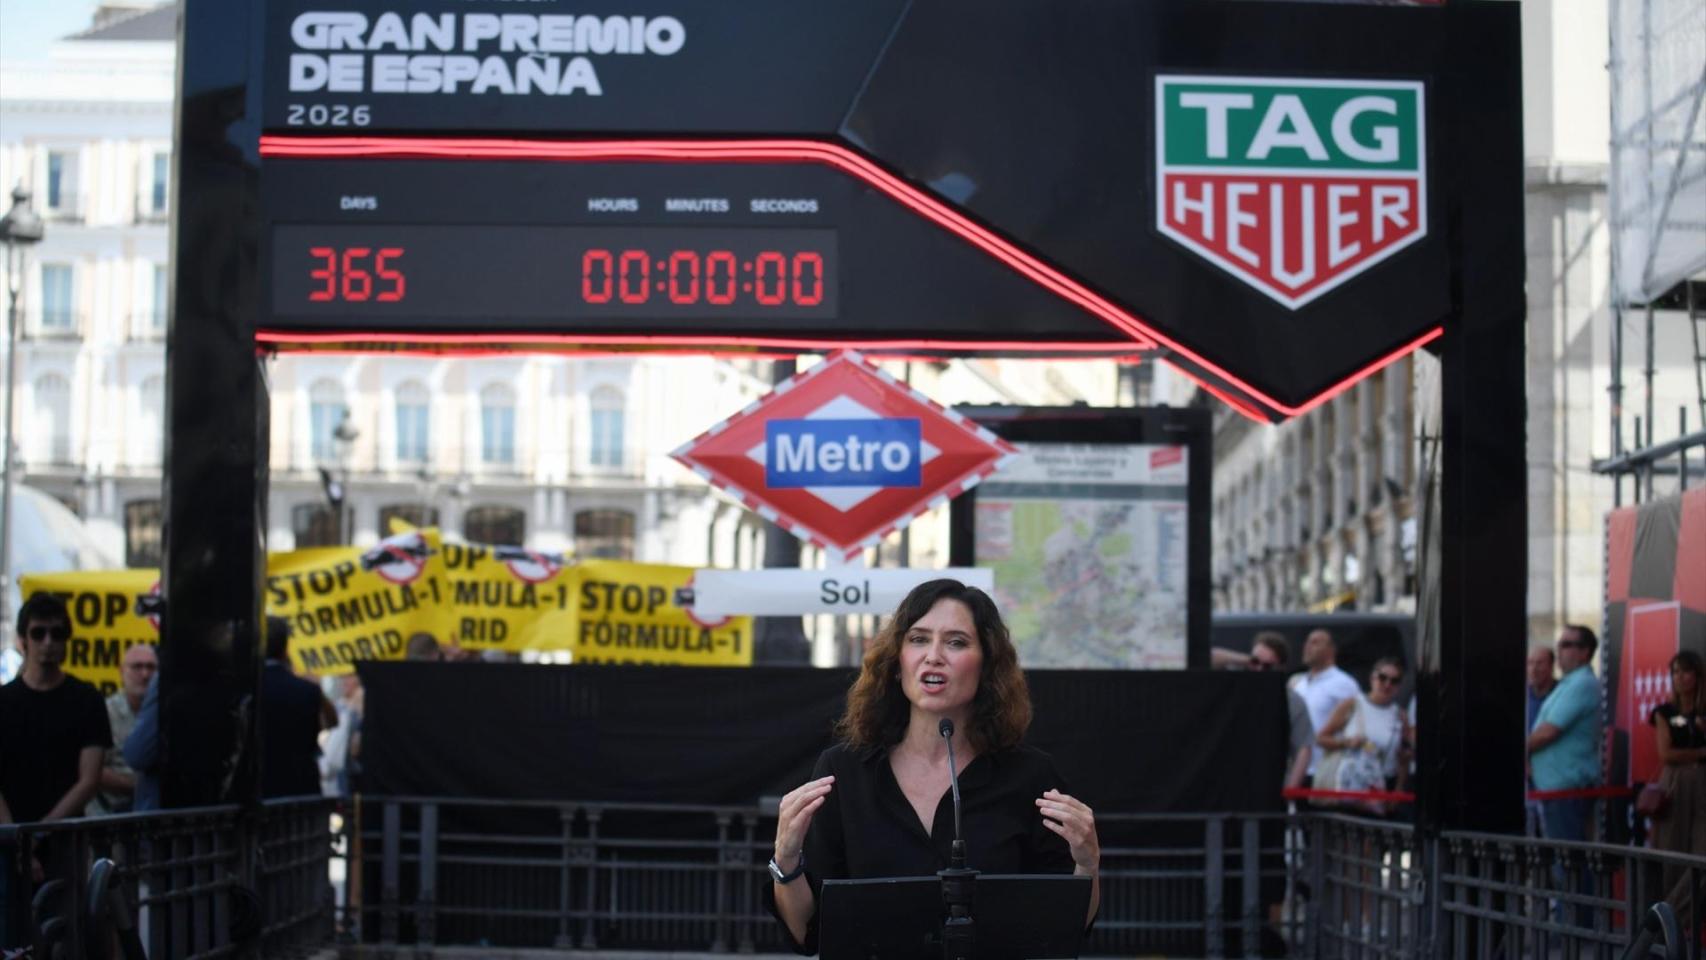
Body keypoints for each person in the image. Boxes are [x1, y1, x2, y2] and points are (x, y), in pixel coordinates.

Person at [766, 579, 1099, 953]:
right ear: (897, 662)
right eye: (919, 639)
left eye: (956, 642)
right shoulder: (843, 772)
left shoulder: (1031, 777)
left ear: (987, 665)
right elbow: (804, 933)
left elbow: (1064, 929)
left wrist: (1087, 865)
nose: (934, 655)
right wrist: (786, 858)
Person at [0, 595, 113, 885]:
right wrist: (17, 841)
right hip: (8, 839)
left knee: (66, 923)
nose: (48, 642)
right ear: (24, 639)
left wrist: (37, 836)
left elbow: (89, 780)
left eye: (57, 633)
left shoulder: (86, 699)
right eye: (39, 633)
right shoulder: (4, 701)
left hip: (65, 839)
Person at [1526, 625, 1603, 843]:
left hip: (1567, 791)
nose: (1560, 650)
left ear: (1585, 652)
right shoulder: (1569, 684)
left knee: (1569, 865)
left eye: (1567, 645)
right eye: (1559, 645)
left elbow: (1548, 732)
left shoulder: (1582, 684)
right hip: (1555, 790)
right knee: (1562, 863)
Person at [1647, 650, 1706, 929]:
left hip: (1702, 788)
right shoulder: (1665, 712)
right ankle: (1666, 926)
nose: (1680, 678)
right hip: (1676, 786)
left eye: (1685, 671)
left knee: (1700, 855)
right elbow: (1666, 754)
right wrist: (1700, 752)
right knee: (1673, 854)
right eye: (1675, 672)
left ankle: (1671, 922)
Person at [1314, 655, 1410, 814]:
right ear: (1372, 678)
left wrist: (1398, 790)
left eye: (1394, 681)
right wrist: (1346, 742)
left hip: (1382, 788)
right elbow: (1321, 738)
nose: (1387, 684)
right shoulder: (1353, 704)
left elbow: (1404, 758)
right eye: (1382, 678)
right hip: (1350, 787)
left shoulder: (1399, 715)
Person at [259, 616, 337, 799]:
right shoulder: (306, 690)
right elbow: (331, 721)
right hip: (300, 790)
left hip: (261, 790)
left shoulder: (247, 689)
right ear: (285, 648)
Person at [90, 643, 157, 814]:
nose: (145, 674)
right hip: (109, 812)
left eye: (151, 667)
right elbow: (91, 770)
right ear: (121, 671)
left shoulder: (165, 714)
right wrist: (139, 786)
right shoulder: (105, 713)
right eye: (137, 667)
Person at [1290, 629, 1360, 781]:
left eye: (1315, 642)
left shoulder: (1344, 684)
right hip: (1297, 770)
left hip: (1325, 772)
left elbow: (1355, 727)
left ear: (1331, 650)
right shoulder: (1299, 684)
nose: (1307, 647)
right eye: (1307, 642)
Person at [1249, 632, 1313, 791]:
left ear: (1281, 668)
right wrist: (1243, 660)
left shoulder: (1293, 702)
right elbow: (1213, 657)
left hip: (1270, 788)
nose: (1259, 669)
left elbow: (1304, 748)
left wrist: (1289, 790)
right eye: (1255, 662)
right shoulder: (1236, 691)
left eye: (1267, 666)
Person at [1525, 644, 1557, 836]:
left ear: (1551, 666)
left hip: (1553, 783)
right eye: (1530, 663)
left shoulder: (1560, 694)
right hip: (1527, 786)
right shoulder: (1523, 696)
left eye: (1540, 663)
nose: (1534, 669)